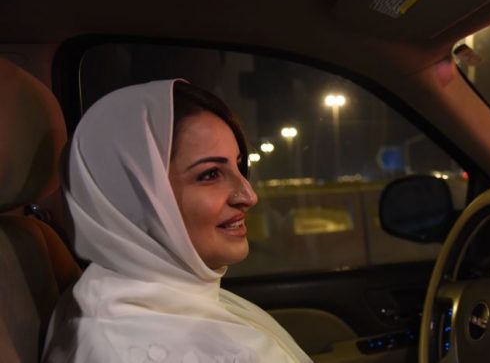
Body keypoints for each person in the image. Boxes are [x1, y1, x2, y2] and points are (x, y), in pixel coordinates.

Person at [43, 80, 311, 363]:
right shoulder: (117, 349)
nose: (249, 195)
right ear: (134, 199)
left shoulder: (184, 298)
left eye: (238, 164)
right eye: (210, 174)